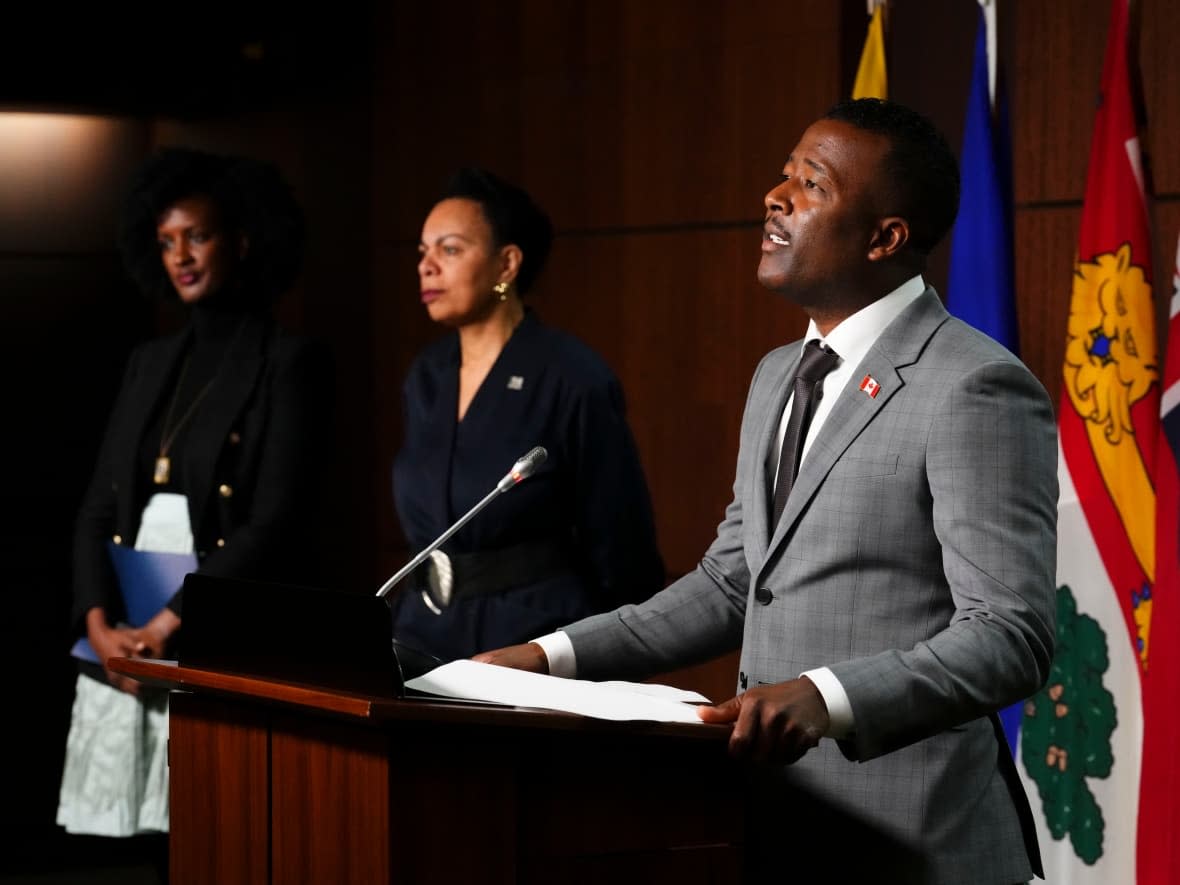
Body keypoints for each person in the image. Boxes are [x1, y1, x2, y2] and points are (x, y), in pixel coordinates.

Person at [476, 99, 1058, 884]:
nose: (774, 197)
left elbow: (1009, 634)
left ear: (886, 237)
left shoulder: (974, 384)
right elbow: (735, 580)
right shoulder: (777, 375)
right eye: (784, 174)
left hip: (917, 845)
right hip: (771, 827)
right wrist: (550, 657)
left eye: (810, 184)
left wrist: (829, 695)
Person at [57, 147, 333, 851]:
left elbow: (275, 522)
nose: (180, 255)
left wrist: (167, 625)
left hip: (222, 620)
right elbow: (95, 507)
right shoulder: (148, 362)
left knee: (224, 832)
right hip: (128, 631)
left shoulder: (288, 360)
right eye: (166, 242)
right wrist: (97, 625)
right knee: (149, 833)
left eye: (198, 236)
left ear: (243, 240)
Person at [390, 167, 665, 662]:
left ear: (506, 264)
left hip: (533, 641)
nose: (427, 267)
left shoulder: (572, 375)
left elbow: (624, 549)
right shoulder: (426, 376)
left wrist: (595, 657)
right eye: (423, 252)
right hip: (423, 634)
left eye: (449, 249)